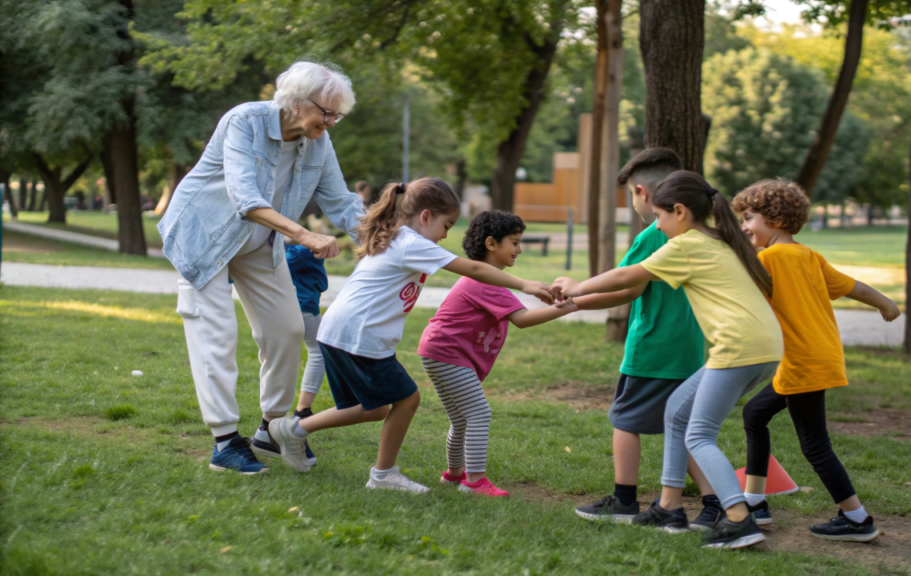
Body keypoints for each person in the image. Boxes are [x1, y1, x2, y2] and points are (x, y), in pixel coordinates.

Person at [268, 177, 555, 494]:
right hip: (359, 335)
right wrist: (526, 284)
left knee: (375, 408)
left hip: (342, 331)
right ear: (426, 216)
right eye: (446, 225)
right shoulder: (411, 242)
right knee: (407, 399)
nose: (446, 235)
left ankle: (293, 430)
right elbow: (473, 269)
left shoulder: (395, 237)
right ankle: (382, 475)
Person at [552, 170, 784, 549]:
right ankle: (668, 507)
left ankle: (740, 518)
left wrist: (578, 286)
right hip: (762, 347)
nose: (657, 225)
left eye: (660, 217)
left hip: (739, 348)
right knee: (676, 411)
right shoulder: (720, 239)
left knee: (699, 433)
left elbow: (630, 274)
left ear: (679, 211)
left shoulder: (687, 244)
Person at [158, 60, 363, 475]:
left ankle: (271, 428)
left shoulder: (317, 142)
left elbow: (342, 203)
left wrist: (388, 242)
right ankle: (224, 441)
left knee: (287, 329)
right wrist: (306, 236)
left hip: (259, 243)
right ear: (297, 102)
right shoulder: (245, 121)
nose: (332, 121)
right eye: (327, 112)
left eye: (337, 113)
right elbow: (245, 198)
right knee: (216, 332)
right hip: (204, 237)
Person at [732, 179, 899, 542]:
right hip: (818, 357)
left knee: (815, 444)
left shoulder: (768, 259)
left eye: (749, 218)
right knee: (755, 414)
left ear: (774, 218)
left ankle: (856, 518)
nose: (744, 226)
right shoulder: (809, 256)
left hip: (801, 363)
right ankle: (755, 502)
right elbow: (855, 287)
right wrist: (886, 303)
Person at [570, 149, 721, 531]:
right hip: (687, 350)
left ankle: (623, 500)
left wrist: (574, 297)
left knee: (624, 420)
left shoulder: (655, 235)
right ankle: (715, 501)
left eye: (634, 200)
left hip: (652, 349)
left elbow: (625, 288)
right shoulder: (698, 235)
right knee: (683, 428)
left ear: (642, 192)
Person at [418, 210, 579, 497]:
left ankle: (454, 475)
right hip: (448, 353)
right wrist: (566, 308)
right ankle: (475, 481)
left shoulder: (487, 279)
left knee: (461, 419)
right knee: (479, 412)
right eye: (514, 243)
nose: (519, 249)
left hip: (437, 351)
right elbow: (522, 320)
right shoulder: (486, 281)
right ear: (491, 244)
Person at [250, 243, 328, 468]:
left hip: (297, 306)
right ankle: (298, 414)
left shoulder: (299, 248)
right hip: (301, 307)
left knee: (284, 354)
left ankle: (270, 429)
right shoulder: (298, 250)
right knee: (316, 351)